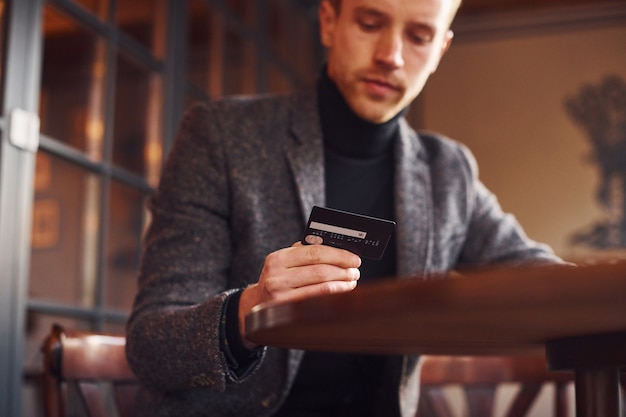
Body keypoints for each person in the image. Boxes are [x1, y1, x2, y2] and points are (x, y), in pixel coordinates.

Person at [126, 0, 562, 416]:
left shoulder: (447, 171)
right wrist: (250, 309)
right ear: (329, 22)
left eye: (418, 36)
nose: (391, 56)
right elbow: (150, 345)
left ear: (440, 49)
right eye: (370, 24)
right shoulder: (222, 137)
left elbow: (532, 269)